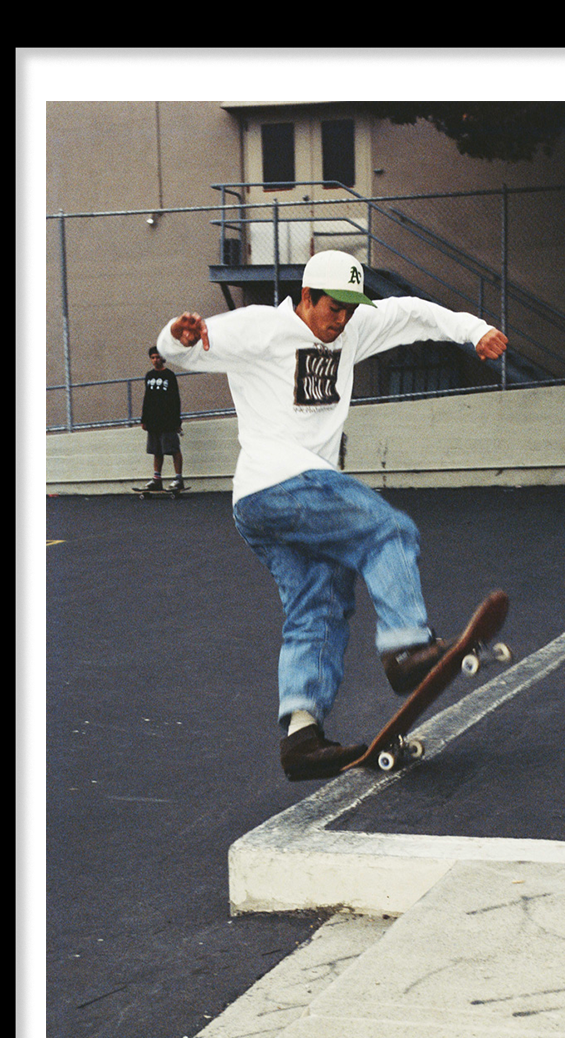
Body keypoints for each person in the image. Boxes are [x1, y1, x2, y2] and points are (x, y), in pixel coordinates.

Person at [156, 250, 508, 780]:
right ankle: (406, 648)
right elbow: (187, 350)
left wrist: (473, 330)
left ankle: (301, 736)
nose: (340, 321)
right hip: (280, 482)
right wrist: (175, 337)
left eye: (349, 309)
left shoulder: (353, 328)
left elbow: (415, 313)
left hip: (264, 507)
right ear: (306, 297)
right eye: (332, 308)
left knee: (318, 606)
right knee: (387, 529)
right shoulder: (261, 327)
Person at [137, 346, 186, 493]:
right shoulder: (149, 376)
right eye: (152, 357)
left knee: (173, 449)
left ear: (163, 358)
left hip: (168, 420)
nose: (155, 360)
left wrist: (177, 421)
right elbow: (147, 398)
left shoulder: (169, 375)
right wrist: (144, 419)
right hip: (153, 420)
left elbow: (175, 398)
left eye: (158, 357)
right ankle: (157, 479)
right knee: (156, 450)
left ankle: (178, 479)